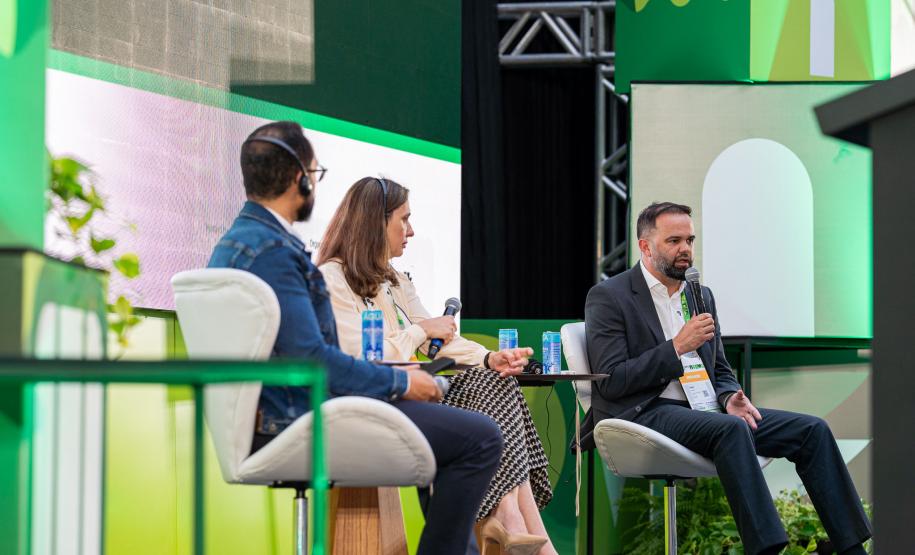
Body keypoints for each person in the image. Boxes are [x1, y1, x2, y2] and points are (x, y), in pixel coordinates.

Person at [207, 121, 504, 555]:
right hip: (301, 421)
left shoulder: (235, 245)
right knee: (479, 439)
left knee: (452, 434)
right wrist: (403, 383)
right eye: (315, 175)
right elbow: (316, 361)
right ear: (300, 180)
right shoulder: (274, 254)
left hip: (281, 415)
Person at [580, 202, 873, 555]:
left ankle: (853, 550)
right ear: (646, 246)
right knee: (731, 430)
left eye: (689, 239)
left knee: (812, 430)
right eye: (674, 241)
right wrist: (676, 348)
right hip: (643, 410)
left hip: (702, 408)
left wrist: (729, 395)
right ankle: (766, 550)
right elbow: (612, 380)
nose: (685, 249)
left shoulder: (699, 294)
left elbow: (718, 367)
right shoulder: (610, 297)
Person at [316, 177, 556, 555]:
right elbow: (358, 356)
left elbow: (439, 339)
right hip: (374, 400)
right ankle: (519, 530)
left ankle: (509, 518)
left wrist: (490, 358)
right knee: (483, 407)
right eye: (404, 220)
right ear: (375, 222)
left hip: (414, 393)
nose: (410, 231)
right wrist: (417, 332)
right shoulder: (331, 278)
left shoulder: (393, 279)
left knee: (494, 380)